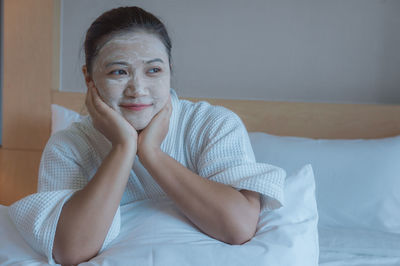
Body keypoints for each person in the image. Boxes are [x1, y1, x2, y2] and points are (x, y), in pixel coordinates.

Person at [9, 6, 286, 265]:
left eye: (153, 70)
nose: (138, 89)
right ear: (89, 78)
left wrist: (152, 153)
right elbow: (71, 251)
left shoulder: (212, 124)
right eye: (119, 72)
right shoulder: (68, 146)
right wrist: (123, 147)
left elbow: (237, 228)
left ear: (169, 71)